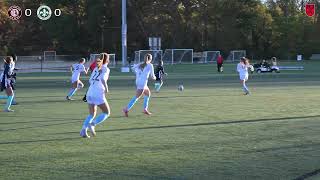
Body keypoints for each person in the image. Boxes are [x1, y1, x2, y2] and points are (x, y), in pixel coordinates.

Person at [80, 53, 111, 138]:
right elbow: (103, 79)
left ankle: (83, 130)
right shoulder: (106, 69)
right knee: (106, 112)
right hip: (98, 93)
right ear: (107, 60)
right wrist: (106, 88)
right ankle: (93, 124)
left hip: (89, 92)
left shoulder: (96, 68)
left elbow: (90, 80)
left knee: (91, 114)